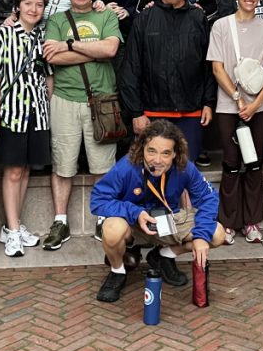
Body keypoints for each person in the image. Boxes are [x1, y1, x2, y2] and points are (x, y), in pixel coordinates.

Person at [90, 121, 226, 302]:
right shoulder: (126, 167)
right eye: (151, 151)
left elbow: (209, 198)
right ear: (142, 148)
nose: (157, 160)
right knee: (111, 229)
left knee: (216, 234)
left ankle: (164, 255)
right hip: (133, 224)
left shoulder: (185, 167)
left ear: (175, 154)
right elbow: (97, 200)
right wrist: (134, 212)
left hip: (167, 221)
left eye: (166, 153)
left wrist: (201, 236)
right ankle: (117, 271)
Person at [41, 0, 122, 249]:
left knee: (103, 165)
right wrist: (91, 50)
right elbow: (53, 57)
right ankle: (61, 221)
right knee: (63, 164)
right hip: (65, 98)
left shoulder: (106, 16)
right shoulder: (57, 20)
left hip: (103, 99)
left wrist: (70, 44)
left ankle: (103, 217)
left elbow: (110, 50)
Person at [207, 0, 263, 244]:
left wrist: (256, 103)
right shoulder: (220, 26)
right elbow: (217, 68)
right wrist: (238, 99)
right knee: (231, 162)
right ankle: (227, 221)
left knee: (254, 161)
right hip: (229, 106)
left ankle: (251, 221)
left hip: (260, 105)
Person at [119, 0, 215, 159]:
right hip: (153, 113)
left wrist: (208, 102)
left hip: (191, 112)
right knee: (154, 172)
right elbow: (131, 68)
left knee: (186, 173)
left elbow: (209, 65)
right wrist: (136, 112)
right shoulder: (144, 19)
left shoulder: (198, 18)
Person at [0, 0, 53, 257]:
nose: (33, 9)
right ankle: (13, 231)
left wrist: (47, 107)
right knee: (13, 171)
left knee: (26, 169)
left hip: (37, 114)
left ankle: (11, 225)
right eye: (28, 3)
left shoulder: (43, 37)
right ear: (18, 6)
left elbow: (47, 75)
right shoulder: (3, 36)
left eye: (39, 4)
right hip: (11, 114)